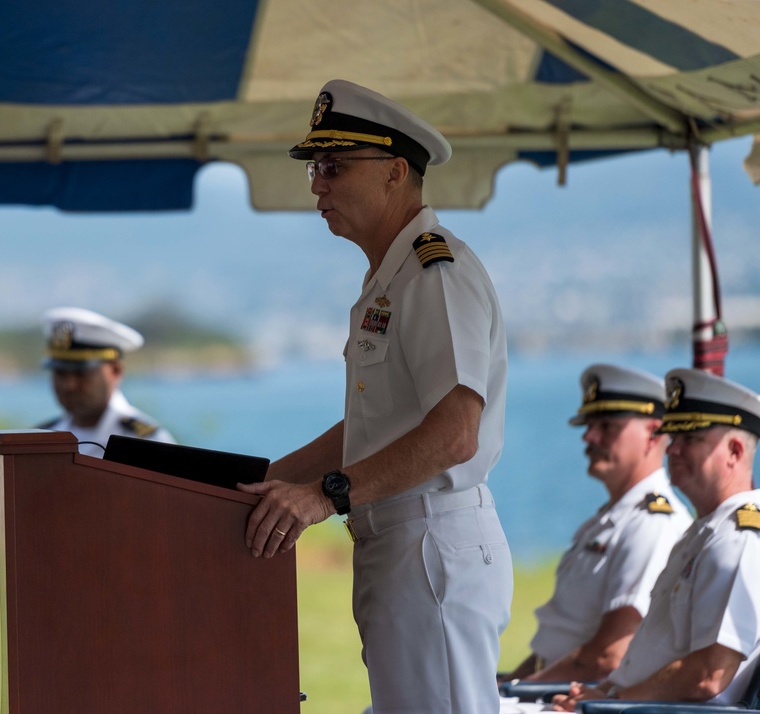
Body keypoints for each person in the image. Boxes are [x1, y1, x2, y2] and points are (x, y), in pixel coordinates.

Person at [237, 79, 513, 713]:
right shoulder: (389, 279)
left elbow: (454, 434)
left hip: (429, 543)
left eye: (333, 166)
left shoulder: (434, 271)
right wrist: (260, 488)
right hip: (397, 542)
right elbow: (368, 430)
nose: (316, 184)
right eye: (315, 167)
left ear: (394, 173)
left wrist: (324, 496)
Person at [553, 367, 760, 710]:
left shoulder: (740, 539)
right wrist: (602, 693)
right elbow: (650, 658)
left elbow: (709, 674)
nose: (672, 450)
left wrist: (610, 700)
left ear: (734, 451)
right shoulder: (704, 534)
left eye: (690, 438)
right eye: (674, 437)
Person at [502, 364, 693, 685]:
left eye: (607, 425)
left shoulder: (651, 525)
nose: (589, 436)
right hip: (556, 688)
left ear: (653, 433)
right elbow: (555, 647)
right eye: (589, 424)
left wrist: (515, 692)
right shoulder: (607, 521)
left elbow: (610, 657)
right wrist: (508, 686)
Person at [41, 306, 174, 456]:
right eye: (60, 373)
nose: (69, 385)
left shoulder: (148, 443)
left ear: (116, 371)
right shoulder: (38, 440)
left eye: (81, 373)